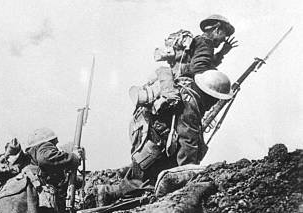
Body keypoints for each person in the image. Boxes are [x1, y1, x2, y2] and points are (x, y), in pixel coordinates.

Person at [94, 70, 233, 205]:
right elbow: (188, 144)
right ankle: (106, 193)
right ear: (209, 96)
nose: (214, 104)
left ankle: (124, 176)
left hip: (144, 131)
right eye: (215, 100)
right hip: (151, 143)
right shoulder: (190, 105)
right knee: (142, 184)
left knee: (145, 174)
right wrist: (187, 177)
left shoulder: (187, 85)